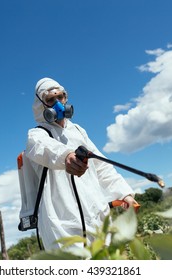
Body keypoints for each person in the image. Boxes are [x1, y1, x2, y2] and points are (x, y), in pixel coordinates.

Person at [25, 77, 137, 251]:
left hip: (97, 218)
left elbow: (102, 165)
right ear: (41, 105)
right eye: (50, 100)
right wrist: (66, 156)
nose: (58, 104)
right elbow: (44, 148)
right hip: (64, 226)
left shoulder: (78, 130)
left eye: (60, 97)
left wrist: (124, 194)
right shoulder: (37, 134)